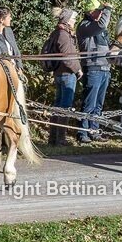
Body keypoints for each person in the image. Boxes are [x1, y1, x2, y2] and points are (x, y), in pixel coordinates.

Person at [77, 0, 113, 142]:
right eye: (99, 11)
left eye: (102, 11)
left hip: (104, 69)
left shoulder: (101, 30)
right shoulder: (85, 26)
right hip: (93, 69)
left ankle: (94, 130)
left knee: (98, 104)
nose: (101, 13)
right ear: (90, 12)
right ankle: (83, 133)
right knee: (89, 103)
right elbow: (102, 24)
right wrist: (108, 9)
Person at [46, 9, 83, 146]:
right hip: (66, 74)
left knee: (58, 106)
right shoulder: (63, 34)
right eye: (73, 19)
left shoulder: (58, 32)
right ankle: (60, 139)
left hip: (60, 73)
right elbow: (68, 57)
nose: (74, 22)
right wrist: (78, 70)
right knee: (64, 107)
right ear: (67, 20)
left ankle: (53, 138)